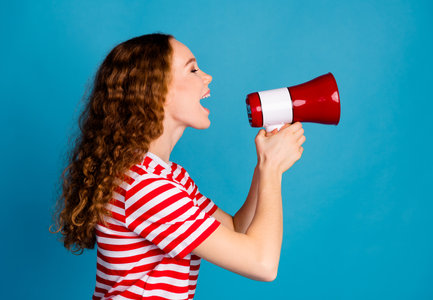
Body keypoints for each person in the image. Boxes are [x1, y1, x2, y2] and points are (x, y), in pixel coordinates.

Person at [53, 33, 306, 300]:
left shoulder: (166, 176)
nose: (207, 77)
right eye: (193, 69)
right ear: (156, 90)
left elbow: (236, 228)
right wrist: (272, 169)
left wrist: (262, 168)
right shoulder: (144, 186)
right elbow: (262, 264)